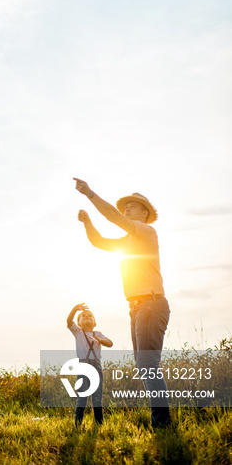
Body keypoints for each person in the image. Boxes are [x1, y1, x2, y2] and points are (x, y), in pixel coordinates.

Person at [73, 178, 171, 427]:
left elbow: (114, 218)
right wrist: (87, 223)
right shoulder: (127, 242)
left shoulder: (147, 231)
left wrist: (90, 194)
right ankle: (161, 423)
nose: (127, 208)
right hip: (138, 307)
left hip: (150, 303)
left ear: (145, 213)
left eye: (133, 206)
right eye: (125, 205)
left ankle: (162, 424)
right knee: (145, 366)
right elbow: (98, 241)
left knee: (148, 365)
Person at [67, 302, 113, 426]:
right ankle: (77, 425)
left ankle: (99, 424)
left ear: (95, 322)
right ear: (79, 323)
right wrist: (75, 309)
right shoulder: (78, 332)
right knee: (82, 397)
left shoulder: (98, 334)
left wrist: (100, 340)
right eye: (83, 316)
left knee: (97, 397)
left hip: (96, 367)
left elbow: (110, 343)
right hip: (83, 366)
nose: (87, 316)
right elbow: (69, 321)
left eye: (90, 316)